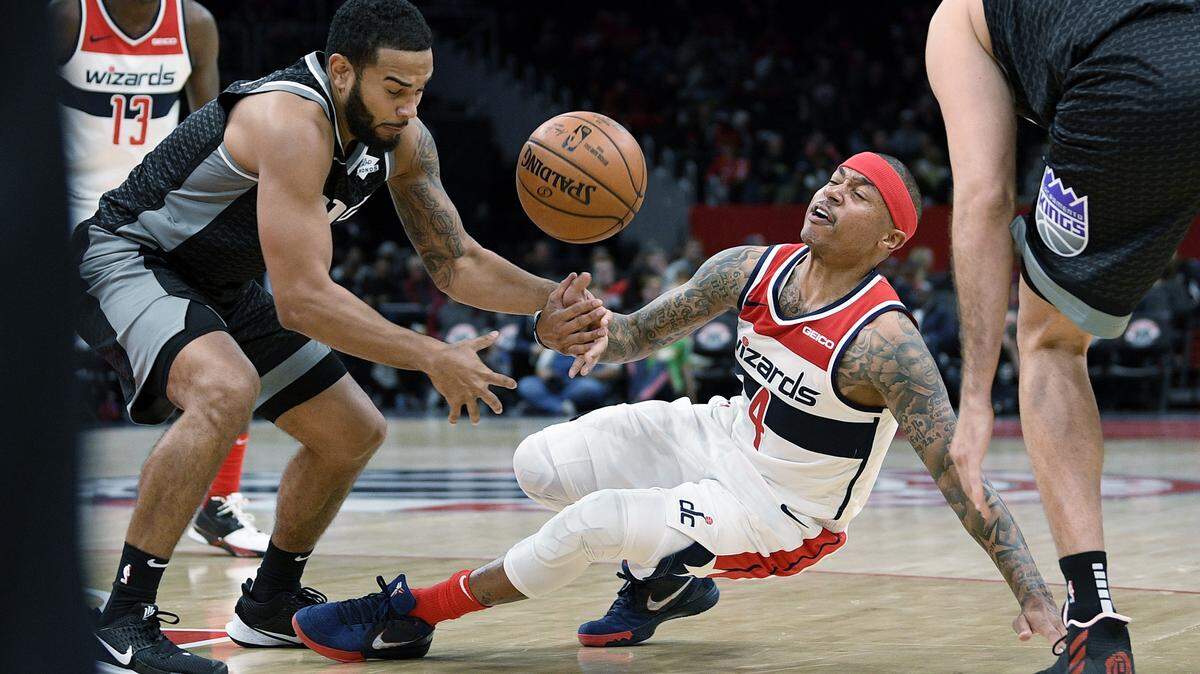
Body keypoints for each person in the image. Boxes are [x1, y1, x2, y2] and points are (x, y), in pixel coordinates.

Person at [292, 152, 1064, 663]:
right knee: (541, 463)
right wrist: (576, 328)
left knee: (594, 522)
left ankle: (414, 615)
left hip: (786, 511)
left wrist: (1033, 592)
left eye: (860, 193)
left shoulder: (886, 343)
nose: (833, 191)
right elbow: (629, 336)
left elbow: (961, 477)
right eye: (835, 177)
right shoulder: (747, 268)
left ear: (893, 236)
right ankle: (668, 580)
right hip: (723, 433)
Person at [74, 1, 605, 671]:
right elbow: (301, 299)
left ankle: (268, 602)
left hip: (222, 285)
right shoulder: (290, 120)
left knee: (353, 429)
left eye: (421, 88)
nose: (410, 106)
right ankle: (125, 615)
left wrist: (546, 302)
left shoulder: (405, 140)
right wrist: (431, 355)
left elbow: (456, 261)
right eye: (395, 88)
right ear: (341, 71)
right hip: (129, 254)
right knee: (223, 389)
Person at [926, 0, 1200, 670]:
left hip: (1139, 86)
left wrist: (976, 401)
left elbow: (985, 200)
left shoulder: (955, 19)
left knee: (1051, 341)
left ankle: (1093, 627)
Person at [51, 0, 270, 558]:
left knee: (240, 333)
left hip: (156, 221)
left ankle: (218, 504)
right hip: (72, 222)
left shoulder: (193, 23)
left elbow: (218, 131)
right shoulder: (67, 18)